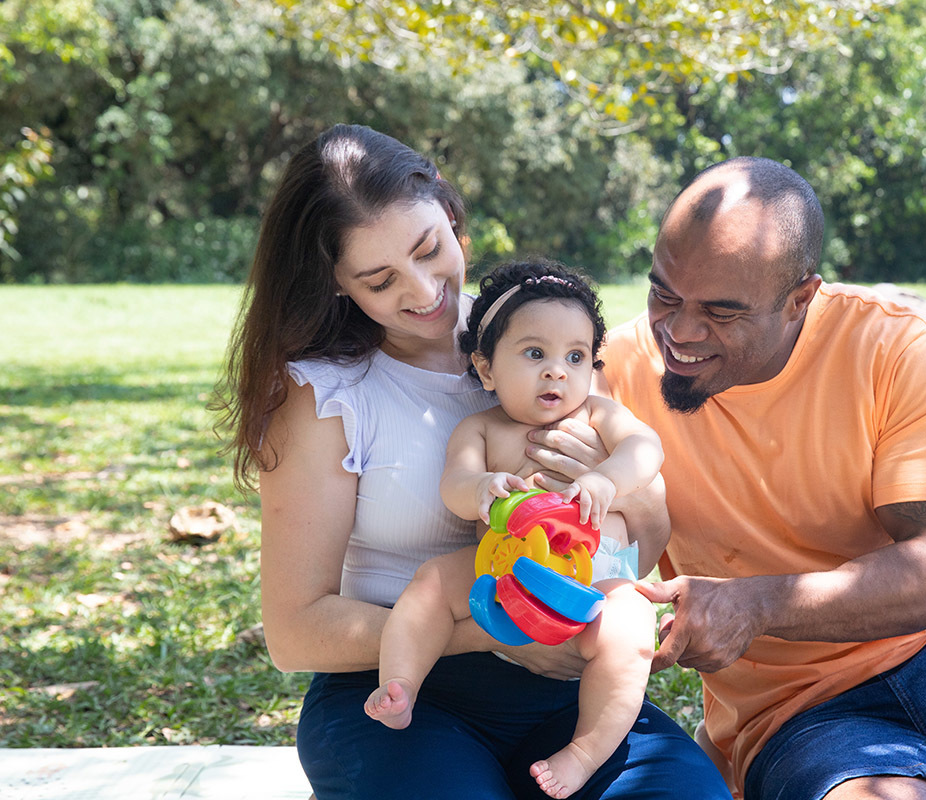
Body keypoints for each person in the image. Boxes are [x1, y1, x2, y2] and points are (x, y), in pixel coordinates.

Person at [214, 123, 730, 800]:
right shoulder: (327, 397)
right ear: (336, 282)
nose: (425, 289)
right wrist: (496, 635)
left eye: (430, 249)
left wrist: (625, 496)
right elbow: (294, 632)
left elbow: (638, 547)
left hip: (559, 692)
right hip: (398, 691)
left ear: (451, 217)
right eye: (379, 279)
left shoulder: (540, 335)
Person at [571, 155, 926, 800]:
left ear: (800, 299)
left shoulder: (899, 349)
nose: (679, 332)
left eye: (722, 311)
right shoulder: (610, 377)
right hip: (798, 715)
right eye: (663, 294)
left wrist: (756, 603)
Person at [365, 261, 665, 799]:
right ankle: (400, 685)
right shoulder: (480, 427)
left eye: (576, 357)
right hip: (503, 570)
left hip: (595, 580)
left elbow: (646, 449)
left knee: (632, 632)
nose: (557, 371)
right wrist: (480, 488)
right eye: (535, 354)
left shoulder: (597, 416)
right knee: (432, 582)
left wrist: (606, 478)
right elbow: (454, 484)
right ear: (485, 368)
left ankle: (585, 751)